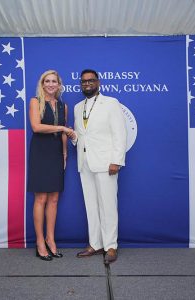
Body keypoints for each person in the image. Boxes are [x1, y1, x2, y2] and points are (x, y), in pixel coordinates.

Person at [68, 69, 127, 264]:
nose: (87, 84)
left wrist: (116, 160)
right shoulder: (78, 107)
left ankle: (111, 246)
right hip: (84, 163)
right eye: (83, 82)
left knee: (108, 206)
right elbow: (81, 135)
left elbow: (120, 133)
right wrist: (72, 136)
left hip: (105, 163)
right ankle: (95, 243)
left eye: (90, 81)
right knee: (91, 206)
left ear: (98, 82)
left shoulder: (111, 103)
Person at [27, 70, 73, 261]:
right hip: (40, 152)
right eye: (48, 81)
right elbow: (36, 127)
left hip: (56, 153)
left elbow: (64, 135)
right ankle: (39, 242)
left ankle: (50, 239)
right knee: (41, 199)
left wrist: (64, 154)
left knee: (54, 198)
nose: (51, 84)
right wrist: (62, 128)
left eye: (54, 81)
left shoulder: (64, 106)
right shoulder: (35, 102)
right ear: (42, 84)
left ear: (59, 84)